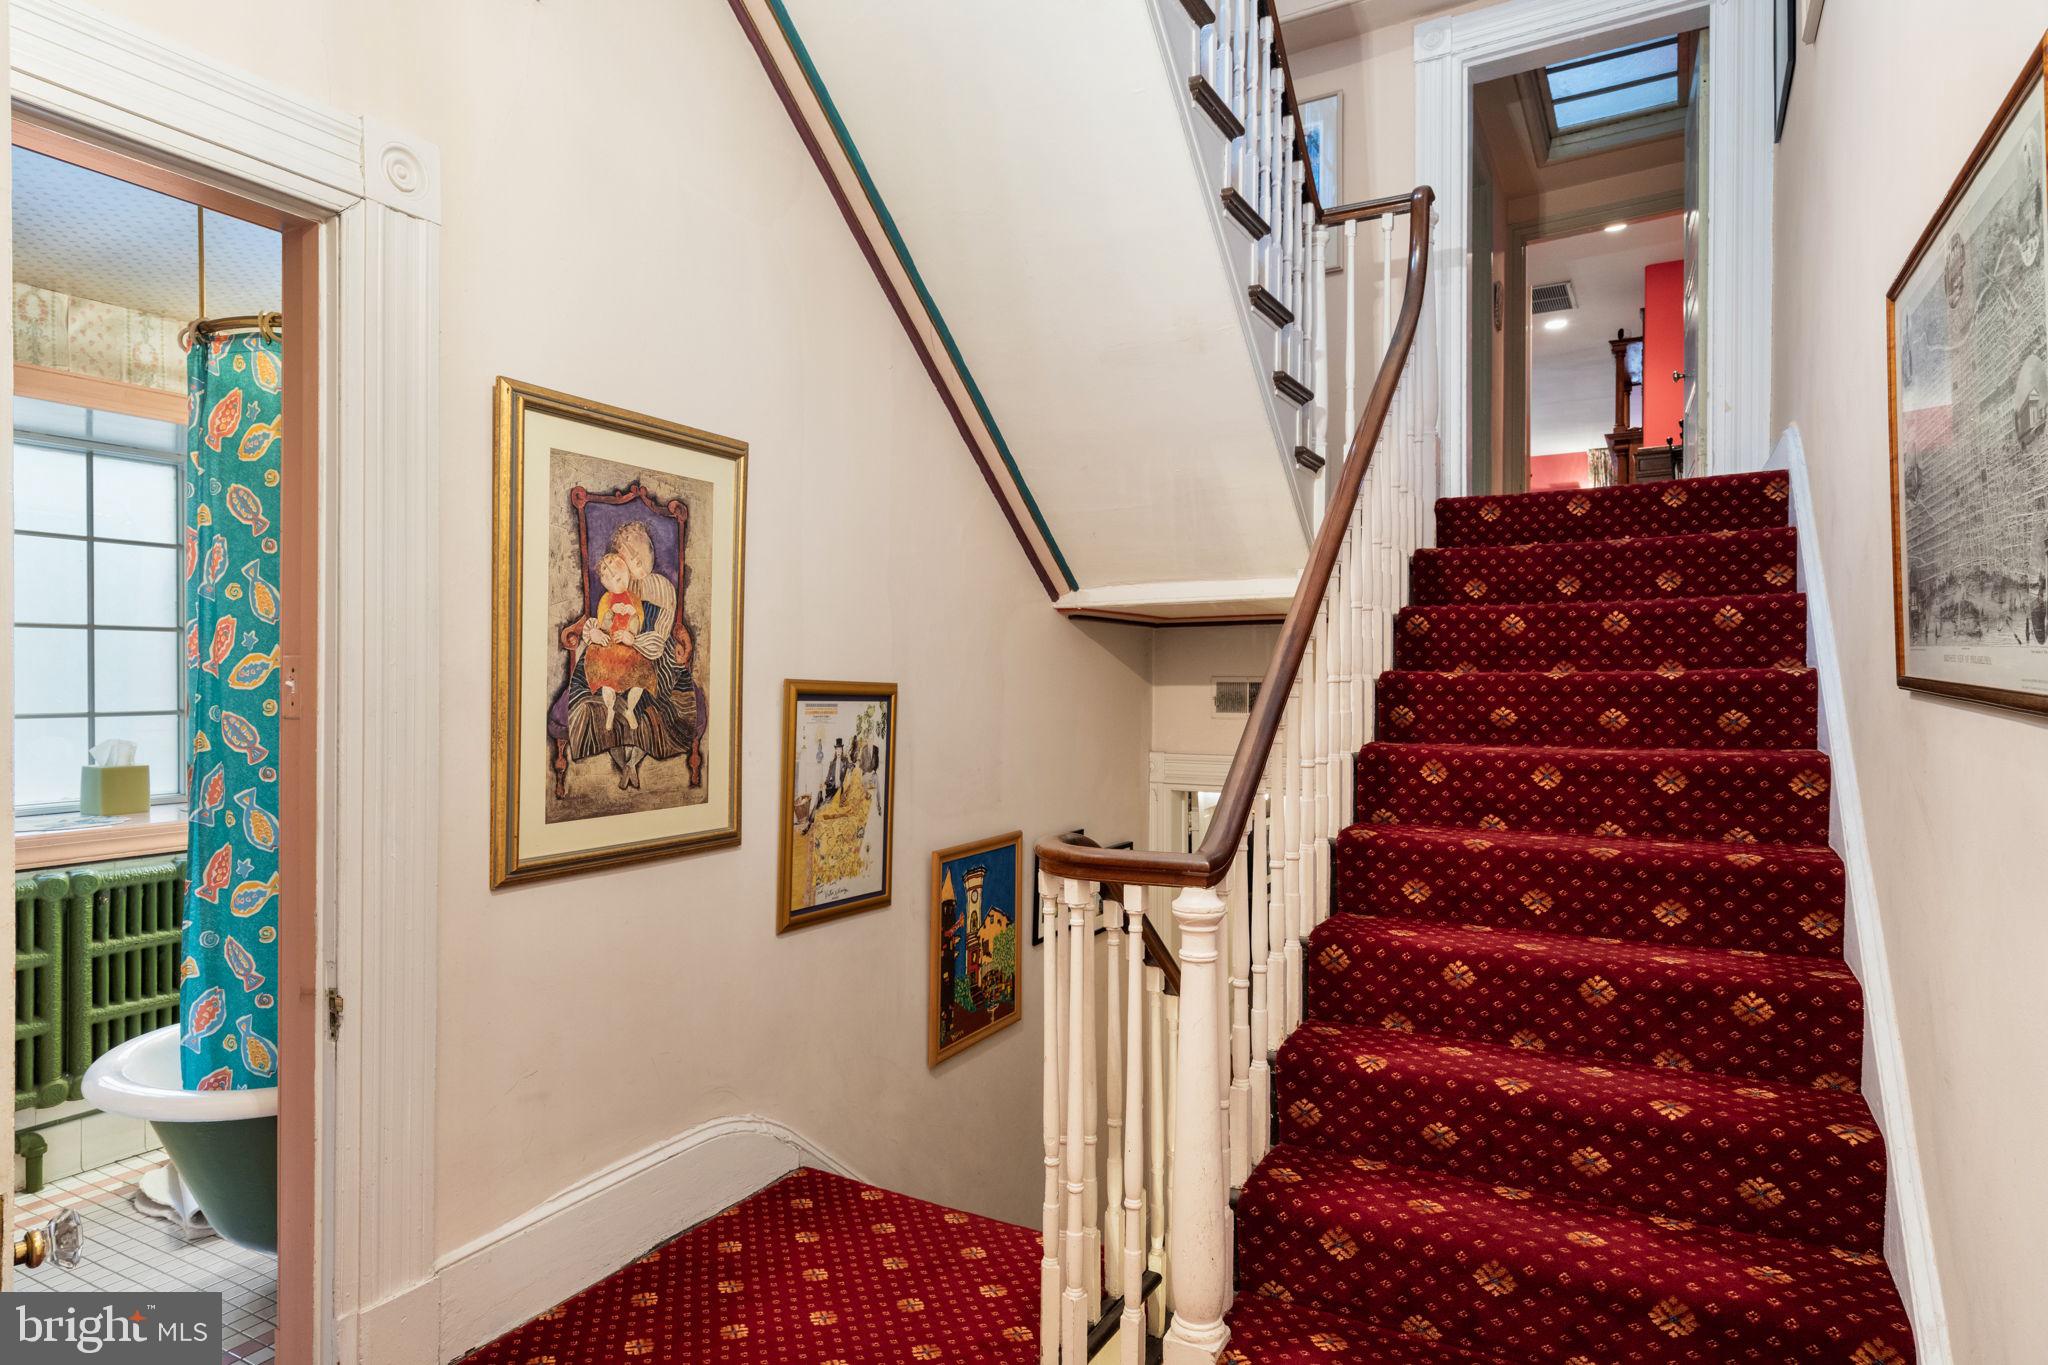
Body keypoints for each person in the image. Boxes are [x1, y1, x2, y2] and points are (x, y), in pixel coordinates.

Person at [581, 551, 657, 732]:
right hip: (609, 645)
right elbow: (603, 626)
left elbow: (638, 625)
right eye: (615, 579)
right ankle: (610, 709)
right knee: (607, 677)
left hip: (628, 646)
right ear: (606, 583)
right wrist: (611, 612)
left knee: (642, 675)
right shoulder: (606, 599)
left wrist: (631, 626)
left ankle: (630, 710)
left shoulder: (634, 598)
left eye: (623, 576)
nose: (621, 581)